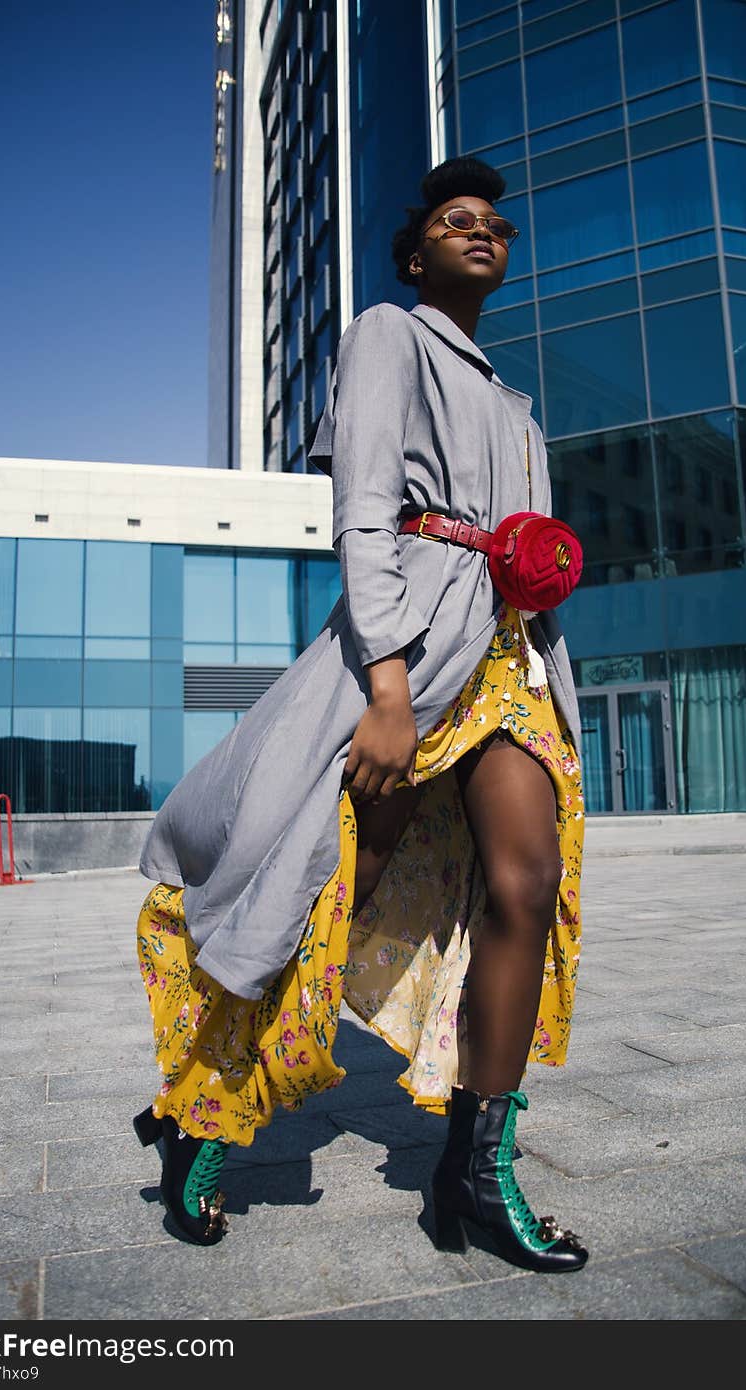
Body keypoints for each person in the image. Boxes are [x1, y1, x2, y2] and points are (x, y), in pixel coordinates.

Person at [134, 156, 588, 1274]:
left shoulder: (518, 406)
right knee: (334, 881)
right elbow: (365, 511)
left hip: (508, 657)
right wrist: (385, 683)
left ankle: (473, 1172)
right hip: (416, 647)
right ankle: (213, 1110)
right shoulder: (388, 333)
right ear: (416, 252)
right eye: (454, 220)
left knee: (527, 886)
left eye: (494, 223)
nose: (480, 230)